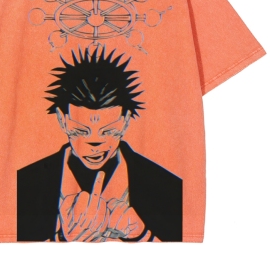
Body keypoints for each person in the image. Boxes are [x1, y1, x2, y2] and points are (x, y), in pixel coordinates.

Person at [17, 46, 182, 242]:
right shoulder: (24, 185)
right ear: (62, 119)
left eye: (108, 131)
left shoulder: (168, 187)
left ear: (125, 120)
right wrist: (61, 240)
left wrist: (142, 235)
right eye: (80, 131)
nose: (94, 144)